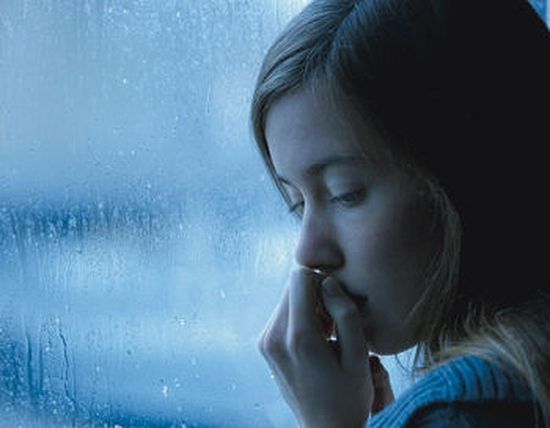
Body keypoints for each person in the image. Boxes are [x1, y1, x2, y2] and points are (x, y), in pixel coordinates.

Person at [250, 0, 550, 426]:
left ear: (471, 177)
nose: (308, 252)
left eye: (345, 194)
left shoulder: (464, 412)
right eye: (297, 204)